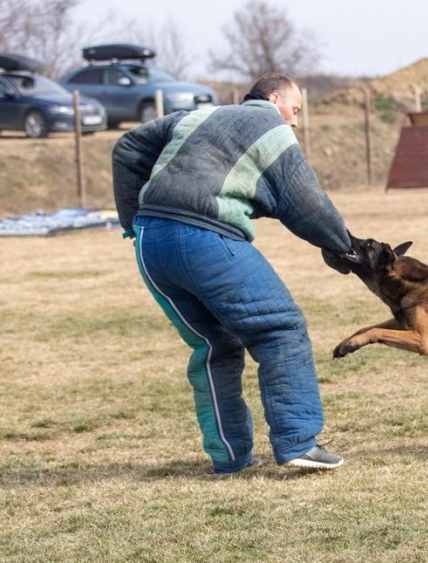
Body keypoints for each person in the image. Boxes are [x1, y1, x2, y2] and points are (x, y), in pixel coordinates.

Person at [112, 73, 351, 474]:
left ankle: (229, 457)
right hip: (206, 237)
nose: (294, 122)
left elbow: (128, 146)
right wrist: (346, 247)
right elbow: (305, 198)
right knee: (279, 328)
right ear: (275, 99)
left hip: (150, 244)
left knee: (213, 346)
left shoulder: (195, 117)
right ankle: (297, 441)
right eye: (294, 110)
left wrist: (131, 219)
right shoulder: (269, 126)